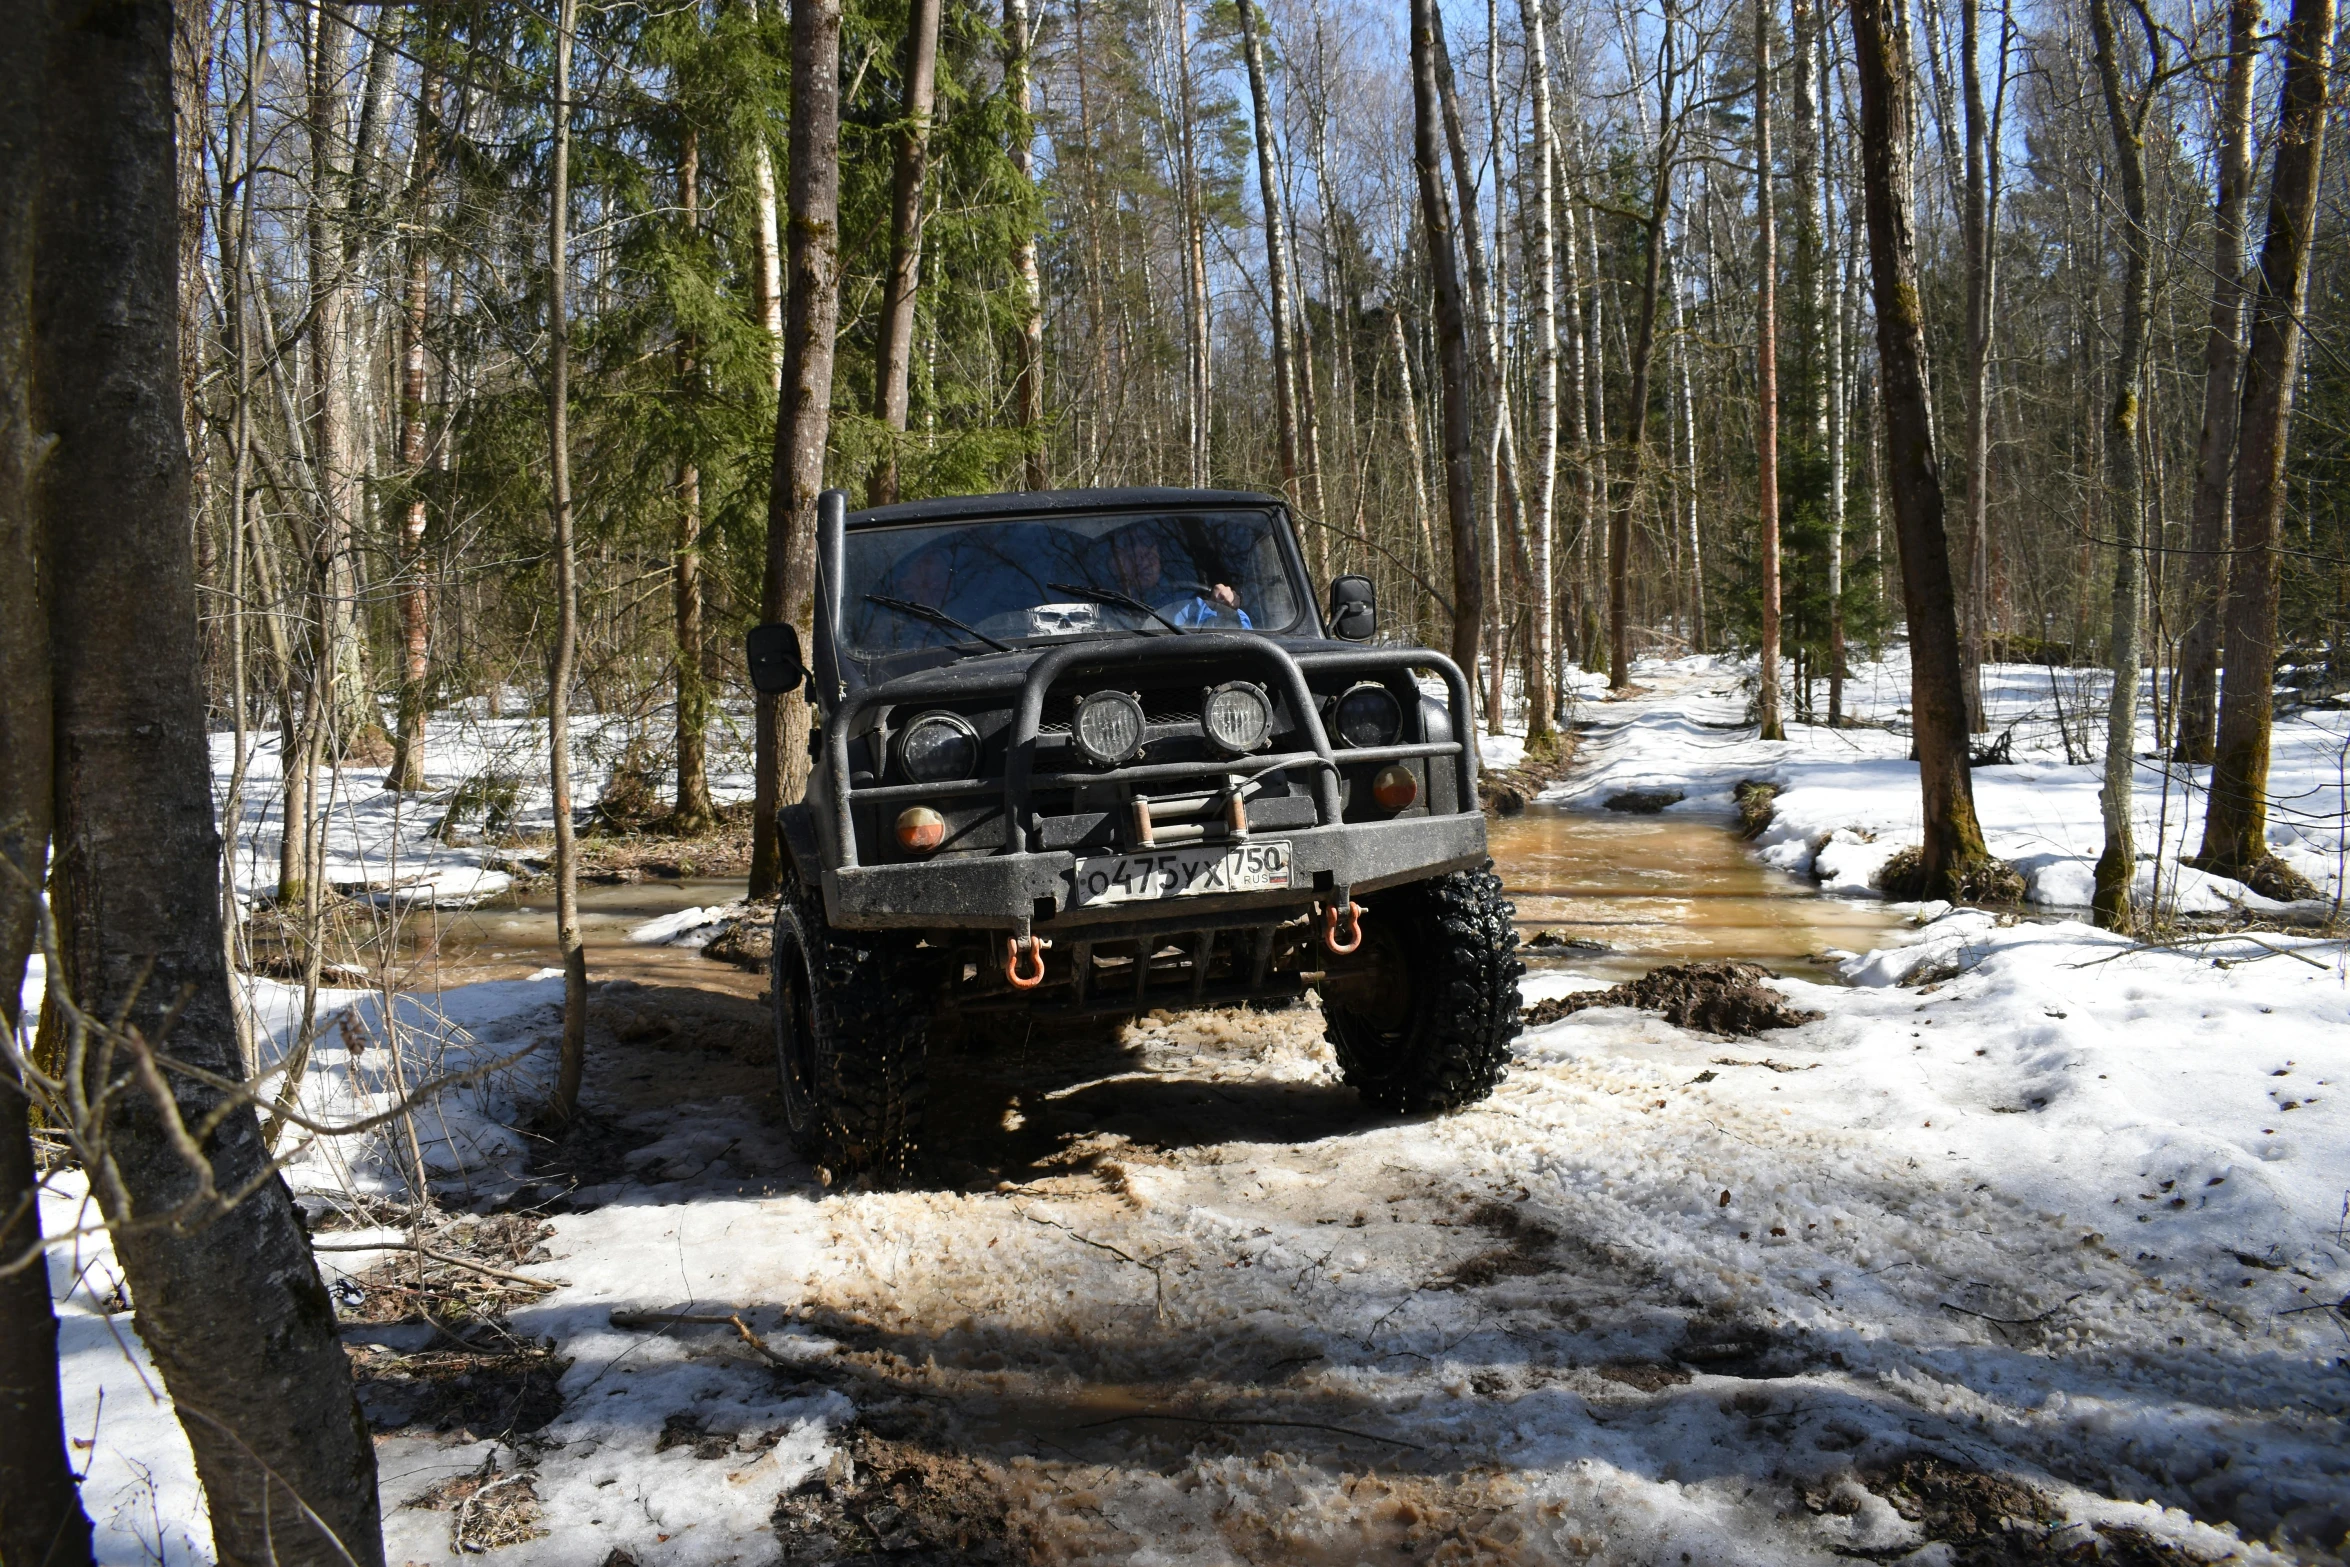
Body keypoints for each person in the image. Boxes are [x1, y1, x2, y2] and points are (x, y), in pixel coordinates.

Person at [1107, 524, 1250, 628]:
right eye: (1128, 545)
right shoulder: (1099, 608)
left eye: (1147, 542)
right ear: (1112, 563)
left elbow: (1243, 637)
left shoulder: (1190, 605)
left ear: (1158, 555)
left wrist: (1226, 610)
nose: (1143, 555)